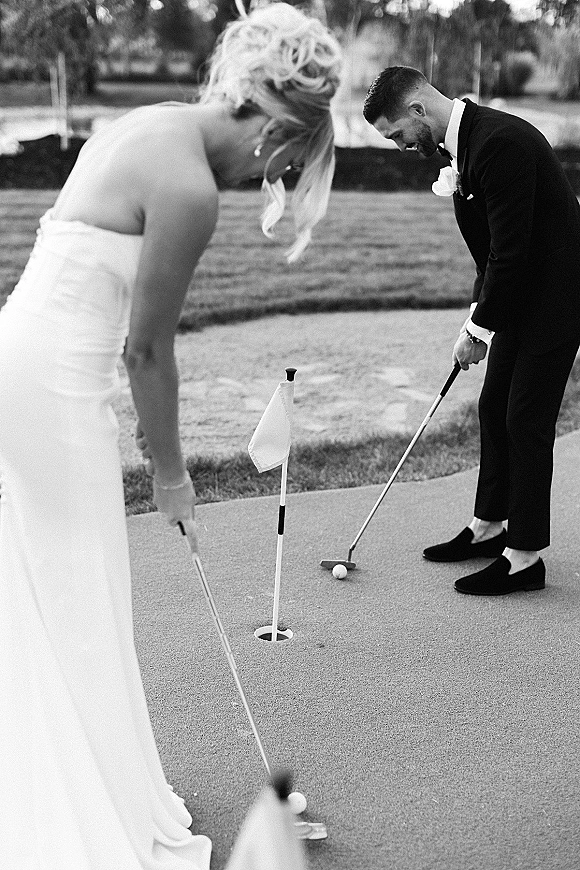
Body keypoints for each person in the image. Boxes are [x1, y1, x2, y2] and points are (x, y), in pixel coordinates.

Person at [0, 4, 341, 867]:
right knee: (82, 589)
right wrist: (173, 475)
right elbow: (146, 350)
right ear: (274, 122)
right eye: (291, 157)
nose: (277, 174)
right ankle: (87, 806)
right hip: (52, 385)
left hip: (27, 358)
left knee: (67, 585)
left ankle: (95, 776)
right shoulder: (188, 188)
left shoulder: (149, 124)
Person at [362, 66, 580, 597]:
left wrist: (479, 330)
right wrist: (475, 318)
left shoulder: (498, 142)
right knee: (494, 406)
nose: (400, 145)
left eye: (396, 134)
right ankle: (490, 526)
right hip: (526, 291)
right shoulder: (466, 146)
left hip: (561, 292)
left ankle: (525, 558)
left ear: (418, 109)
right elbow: (491, 251)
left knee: (525, 417)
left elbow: (513, 251)